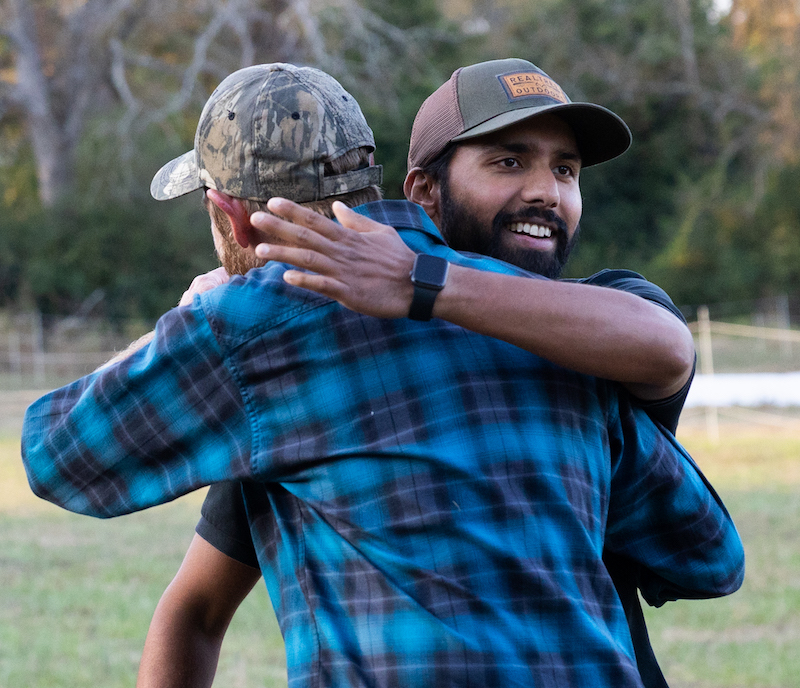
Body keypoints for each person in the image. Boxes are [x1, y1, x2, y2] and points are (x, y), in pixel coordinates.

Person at [23, 61, 744, 688]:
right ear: (411, 189)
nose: (546, 193)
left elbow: (54, 454)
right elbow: (710, 555)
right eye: (508, 161)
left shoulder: (254, 335)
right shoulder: (566, 337)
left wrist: (187, 321)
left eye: (565, 170)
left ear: (230, 220)